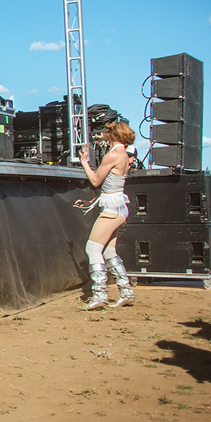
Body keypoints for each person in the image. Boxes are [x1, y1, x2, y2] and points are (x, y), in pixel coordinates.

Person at [74, 121, 137, 310]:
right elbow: (111, 188)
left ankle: (99, 294)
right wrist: (90, 203)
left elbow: (95, 180)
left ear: (114, 136)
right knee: (109, 251)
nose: (105, 136)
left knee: (93, 249)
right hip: (118, 206)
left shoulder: (113, 155)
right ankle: (126, 291)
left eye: (108, 133)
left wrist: (84, 161)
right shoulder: (125, 155)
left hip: (112, 209)